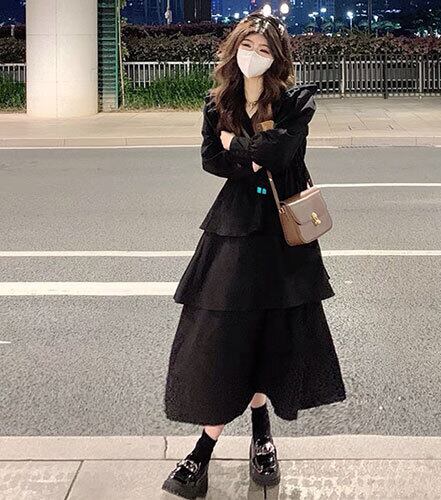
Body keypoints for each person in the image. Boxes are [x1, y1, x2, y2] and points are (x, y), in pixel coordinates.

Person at [162, 10, 347, 499]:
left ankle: (262, 433)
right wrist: (251, 154)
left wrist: (238, 145)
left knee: (273, 328)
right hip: (235, 227)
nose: (253, 56)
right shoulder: (217, 103)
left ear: (276, 58)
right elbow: (211, 159)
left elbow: (281, 155)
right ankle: (205, 445)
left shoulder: (293, 103)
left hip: (282, 232)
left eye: (264, 50)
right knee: (221, 331)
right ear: (234, 49)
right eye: (247, 46)